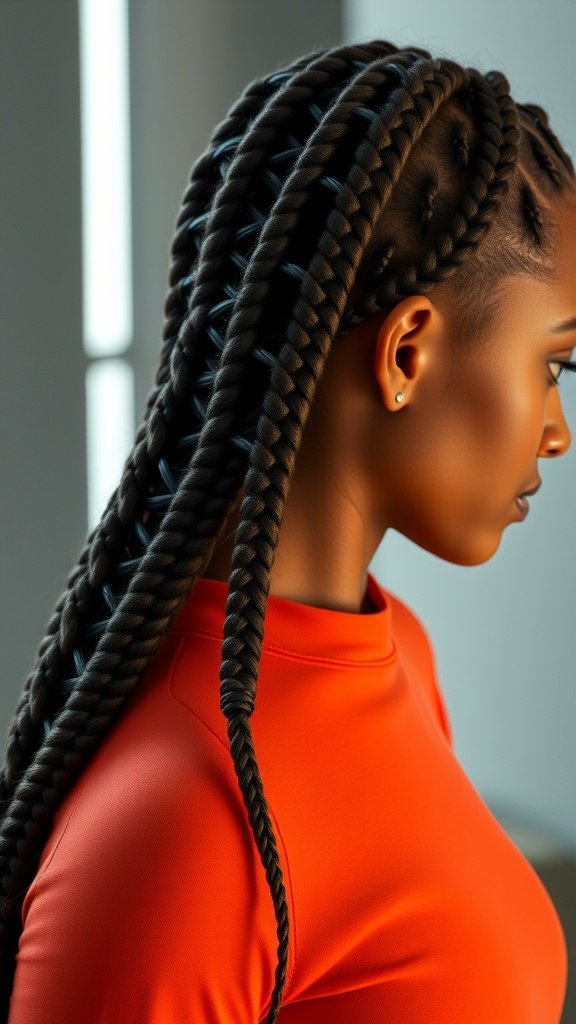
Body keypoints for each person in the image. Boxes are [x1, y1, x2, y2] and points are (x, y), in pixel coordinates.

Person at [1, 38, 575, 1024]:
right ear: (406, 353)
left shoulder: (392, 648)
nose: (557, 432)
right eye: (553, 367)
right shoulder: (181, 831)